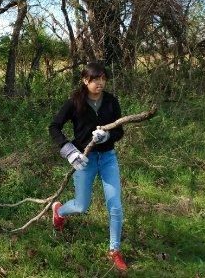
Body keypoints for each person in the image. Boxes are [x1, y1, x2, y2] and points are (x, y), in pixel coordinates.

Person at [48, 62, 128, 272]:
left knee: (115, 205)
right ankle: (59, 211)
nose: (100, 83)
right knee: (82, 206)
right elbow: (54, 126)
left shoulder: (111, 101)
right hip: (84, 159)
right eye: (95, 79)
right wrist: (69, 151)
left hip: (108, 158)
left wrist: (108, 135)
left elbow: (120, 131)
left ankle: (115, 250)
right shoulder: (75, 102)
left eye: (103, 78)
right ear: (85, 80)